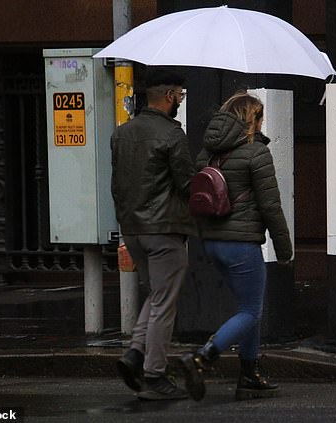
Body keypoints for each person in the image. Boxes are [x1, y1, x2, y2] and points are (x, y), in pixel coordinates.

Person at [179, 91, 293, 401]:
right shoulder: (256, 153)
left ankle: (249, 376)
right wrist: (285, 249)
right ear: (250, 119)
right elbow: (271, 206)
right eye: (259, 117)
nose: (262, 122)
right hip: (241, 246)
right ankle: (201, 357)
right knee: (250, 311)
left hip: (212, 244)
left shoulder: (207, 153)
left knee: (248, 308)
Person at [111, 68, 195, 401]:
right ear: (170, 95)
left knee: (158, 293)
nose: (180, 102)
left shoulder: (122, 133)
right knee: (164, 302)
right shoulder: (172, 134)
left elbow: (118, 185)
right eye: (181, 96)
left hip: (133, 228)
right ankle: (154, 374)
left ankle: (134, 353)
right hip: (164, 228)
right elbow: (187, 184)